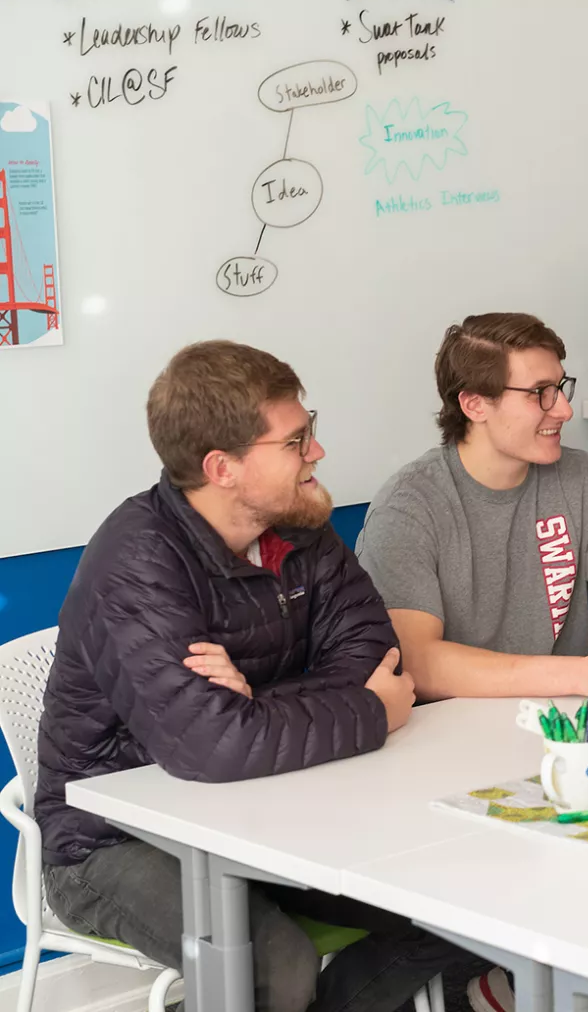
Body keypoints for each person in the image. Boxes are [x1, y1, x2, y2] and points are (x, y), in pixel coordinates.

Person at [35, 341, 477, 1012]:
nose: (317, 453)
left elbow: (373, 660)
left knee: (458, 910)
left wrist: (251, 705)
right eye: (296, 440)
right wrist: (364, 712)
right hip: (108, 839)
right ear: (224, 469)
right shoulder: (135, 561)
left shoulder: (297, 526)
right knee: (276, 962)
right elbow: (215, 747)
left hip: (271, 803)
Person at [357, 312, 588, 703]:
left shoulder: (583, 478)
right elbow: (417, 662)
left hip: (567, 721)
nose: (564, 410)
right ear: (475, 405)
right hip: (452, 734)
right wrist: (580, 675)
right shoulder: (407, 505)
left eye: (560, 387)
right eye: (539, 392)